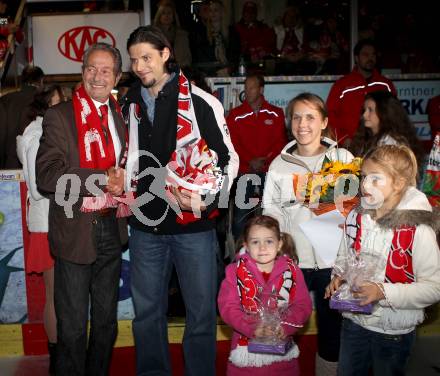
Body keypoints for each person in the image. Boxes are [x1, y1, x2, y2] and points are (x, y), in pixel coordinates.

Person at [122, 25, 238, 375]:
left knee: (201, 315)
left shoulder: (202, 102)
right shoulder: (127, 100)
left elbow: (228, 161)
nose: (140, 66)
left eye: (147, 57)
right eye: (134, 60)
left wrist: (204, 198)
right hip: (144, 227)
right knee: (146, 315)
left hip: (194, 229)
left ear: (165, 55)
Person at [35, 43, 128, 376]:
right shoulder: (60, 116)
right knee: (72, 326)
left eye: (106, 70)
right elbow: (47, 177)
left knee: (105, 324)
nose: (97, 76)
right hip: (75, 230)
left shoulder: (120, 115)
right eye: (91, 68)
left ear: (117, 77)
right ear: (82, 71)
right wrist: (100, 179)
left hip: (111, 228)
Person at [326, 144, 440, 376]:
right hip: (354, 323)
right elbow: (343, 256)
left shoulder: (418, 229)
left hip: (393, 332)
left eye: (375, 179)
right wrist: (338, 276)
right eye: (364, 177)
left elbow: (434, 288)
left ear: (398, 183)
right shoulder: (356, 217)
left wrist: (382, 292)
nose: (365, 185)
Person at [263, 92, 354, 375]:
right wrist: (276, 256)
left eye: (311, 117)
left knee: (332, 334)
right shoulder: (279, 165)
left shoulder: (342, 158)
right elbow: (271, 215)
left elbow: (353, 215)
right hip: (295, 263)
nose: (303, 124)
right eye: (297, 117)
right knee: (284, 331)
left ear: (324, 122)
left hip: (333, 266)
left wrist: (343, 263)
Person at [218, 215, 312, 375]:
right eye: (255, 242)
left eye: (269, 241)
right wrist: (252, 327)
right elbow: (227, 308)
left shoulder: (292, 271)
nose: (262, 248)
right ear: (246, 246)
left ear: (279, 244)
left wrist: (286, 326)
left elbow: (303, 306)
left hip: (283, 361)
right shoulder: (234, 272)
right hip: (246, 358)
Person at [16, 85, 66, 375]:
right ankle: (58, 354)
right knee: (55, 294)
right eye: (58, 103)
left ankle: (63, 351)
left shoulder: (44, 132)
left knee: (61, 294)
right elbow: (37, 188)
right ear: (45, 106)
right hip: (48, 222)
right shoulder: (38, 135)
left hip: (54, 220)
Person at [226, 73, 287, 239]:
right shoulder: (235, 115)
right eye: (246, 87)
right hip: (245, 170)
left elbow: (280, 143)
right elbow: (232, 144)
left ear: (261, 89)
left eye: (251, 87)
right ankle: (241, 255)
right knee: (240, 218)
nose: (247, 91)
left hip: (269, 170)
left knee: (274, 213)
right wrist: (250, 161)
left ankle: (275, 249)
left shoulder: (276, 113)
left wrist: (265, 161)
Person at [326, 39, 397, 147]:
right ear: (356, 58)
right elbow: (330, 116)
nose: (370, 58)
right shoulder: (342, 85)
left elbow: (394, 115)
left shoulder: (385, 85)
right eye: (365, 55)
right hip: (349, 146)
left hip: (381, 145)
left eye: (373, 55)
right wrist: (343, 139)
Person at [349, 90, 425, 177]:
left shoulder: (392, 143)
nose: (364, 115)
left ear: (384, 112)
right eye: (364, 110)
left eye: (370, 110)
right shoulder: (367, 138)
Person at [0, 65, 44, 168]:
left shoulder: (5, 100)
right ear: (41, 81)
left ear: (22, 80)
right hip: (35, 165)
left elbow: (1, 135)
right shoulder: (43, 102)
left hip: (9, 165)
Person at [152, 2, 191, 68]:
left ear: (173, 16)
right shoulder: (153, 35)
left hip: (180, 70)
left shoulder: (182, 35)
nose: (166, 16)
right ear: (159, 16)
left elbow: (187, 57)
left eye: (169, 13)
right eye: (163, 13)